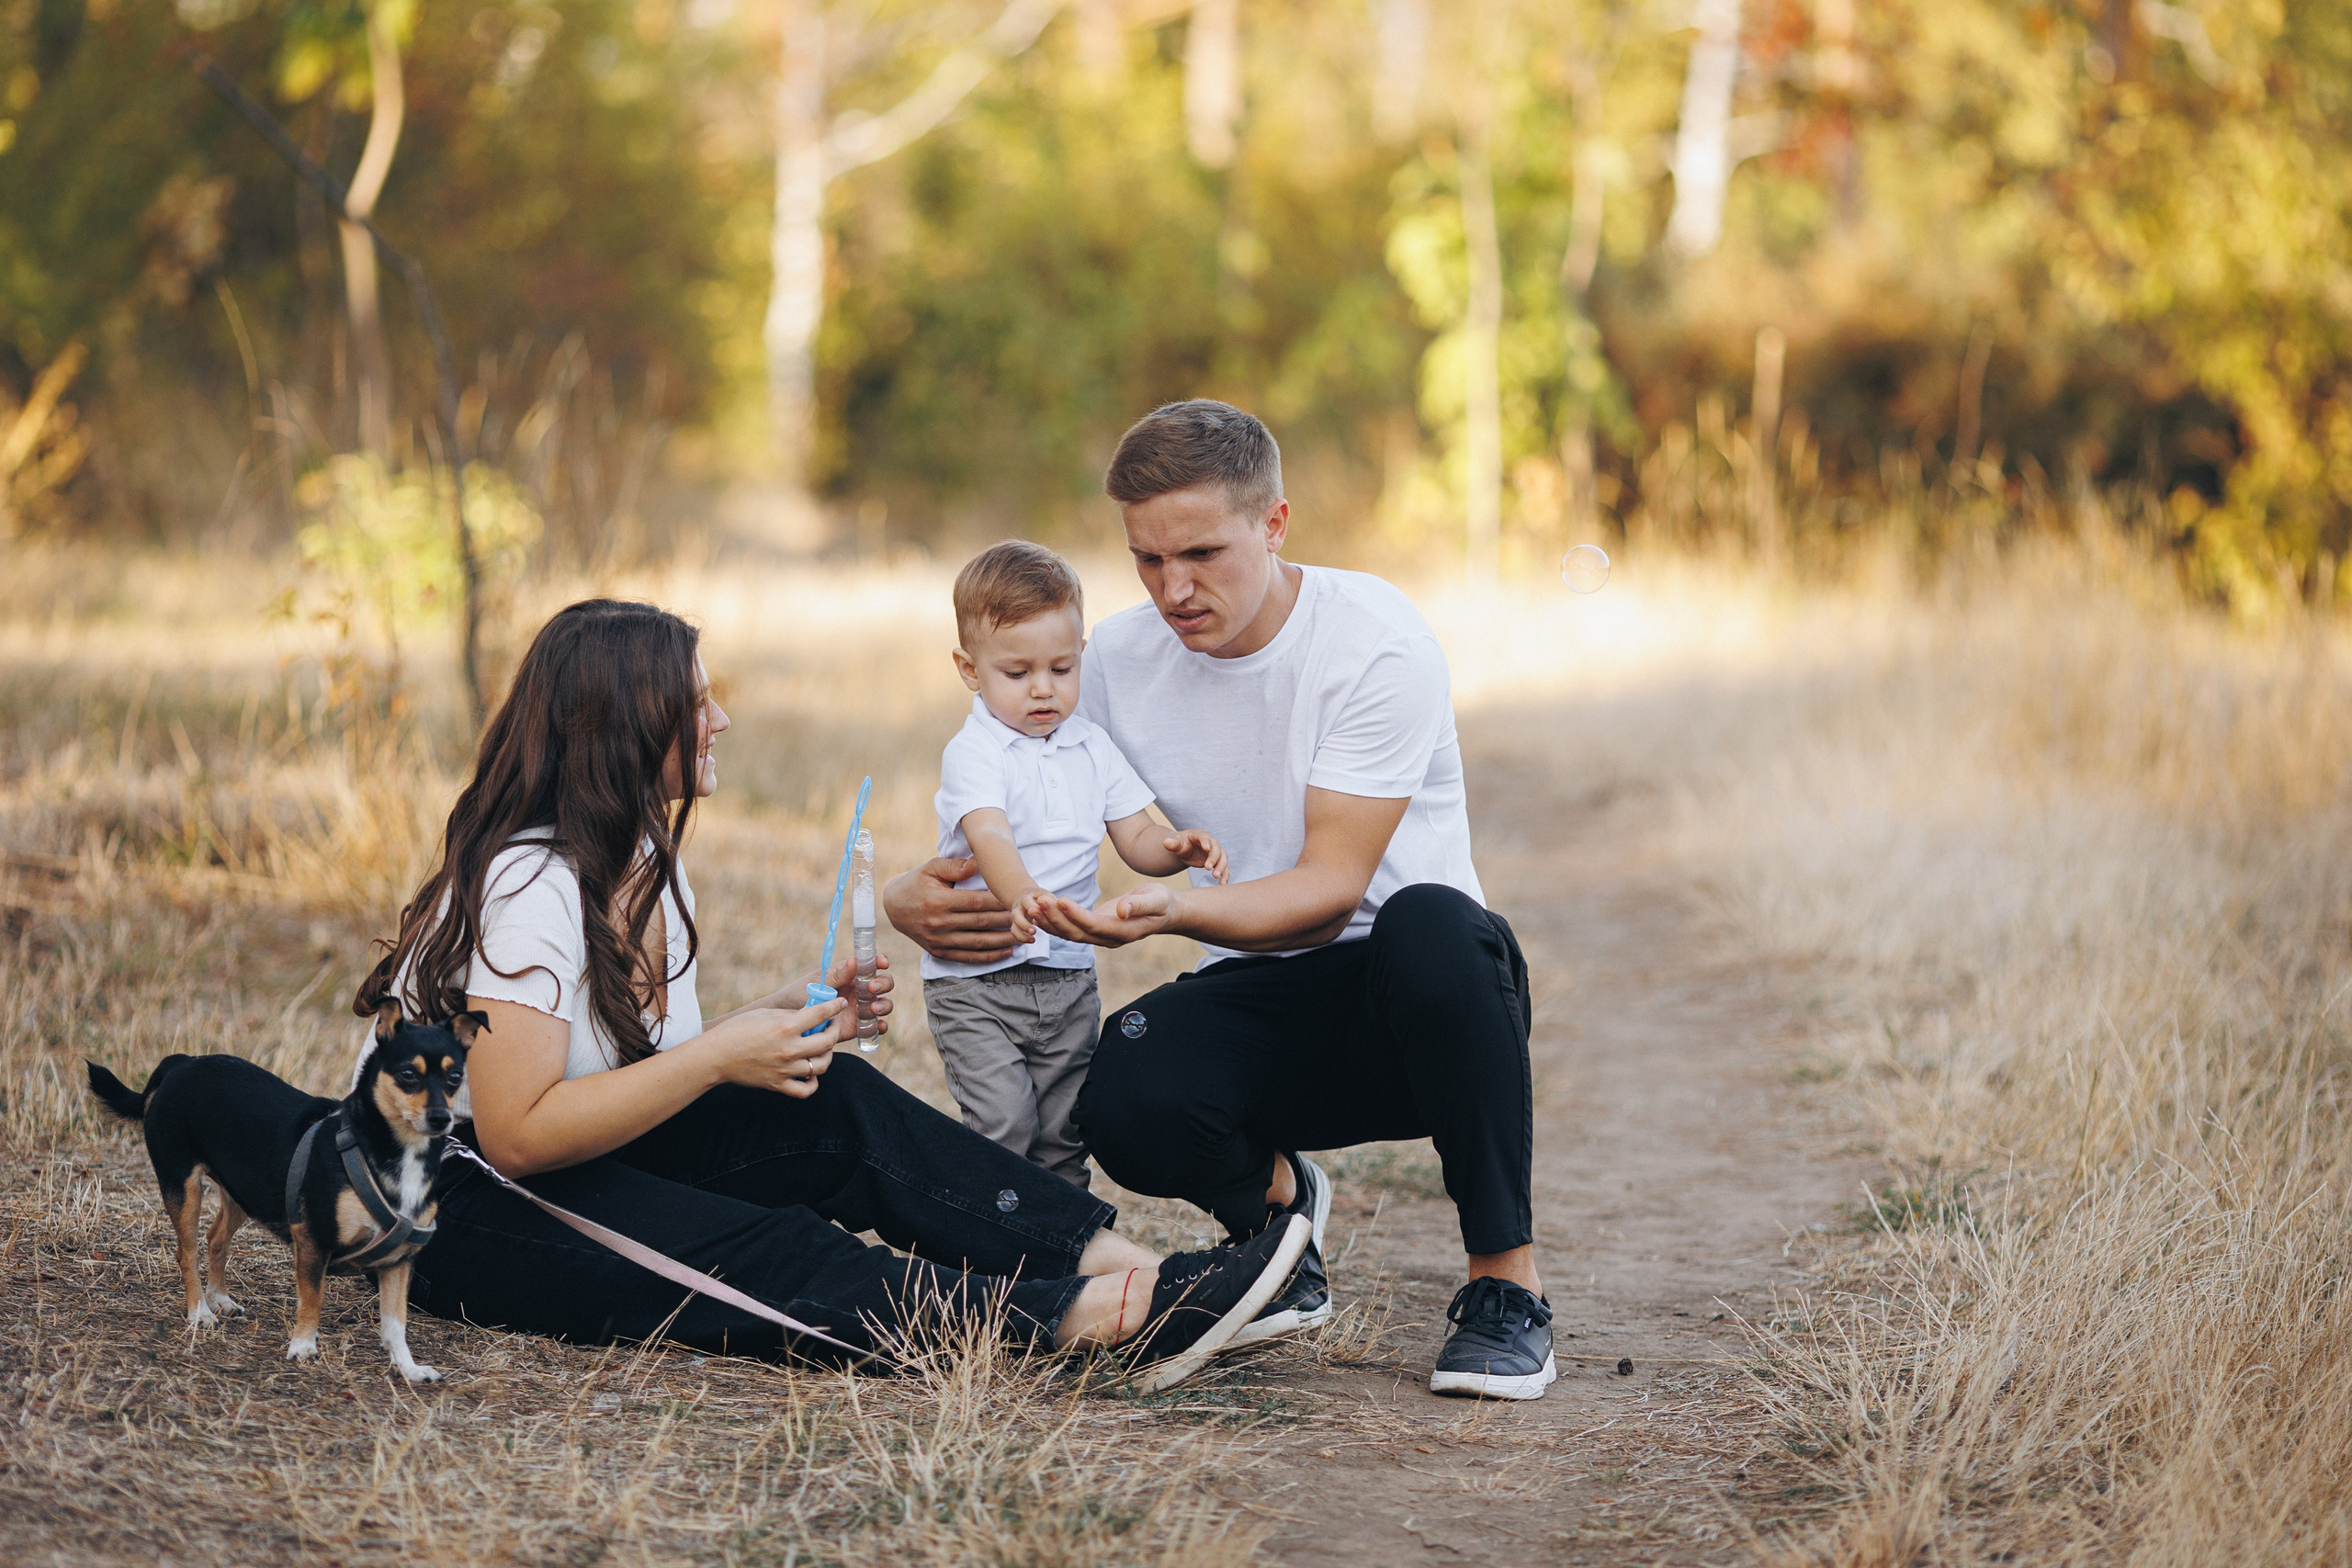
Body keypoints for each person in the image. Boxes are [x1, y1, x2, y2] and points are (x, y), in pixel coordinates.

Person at [351, 597, 1305, 1392]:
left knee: (836, 1100)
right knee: (768, 1246)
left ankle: (1140, 1271)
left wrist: (772, 1019)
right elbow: (517, 1134)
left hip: (573, 1157)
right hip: (455, 1199)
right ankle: (1086, 1319)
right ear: (623, 728)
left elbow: (628, 1072)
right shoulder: (531, 883)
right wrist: (720, 1057)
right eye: (696, 702)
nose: (721, 719)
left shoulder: (643, 859)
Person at [885, 401, 1552, 1399]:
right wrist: (908, 895)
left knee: (1434, 923)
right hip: (1254, 992)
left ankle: (1506, 1286)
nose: (1173, 590)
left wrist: (1169, 911)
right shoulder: (1111, 660)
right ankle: (1278, 1223)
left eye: (1200, 553)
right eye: (1147, 560)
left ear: (1274, 524)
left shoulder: (1374, 641)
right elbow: (1003, 772)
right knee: (1118, 1089)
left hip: (1419, 1008)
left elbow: (1330, 891)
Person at [922, 542, 1227, 1190]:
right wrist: (1022, 894)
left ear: (1081, 655)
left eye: (1062, 668)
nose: (1044, 688)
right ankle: (990, 1240)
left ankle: (1063, 1239)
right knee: (1004, 1125)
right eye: (1017, 672)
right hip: (977, 983)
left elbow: (1135, 834)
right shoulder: (975, 752)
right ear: (970, 669)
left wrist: (1175, 848)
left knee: (1064, 1134)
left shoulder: (1092, 746)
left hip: (1067, 978)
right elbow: (990, 834)